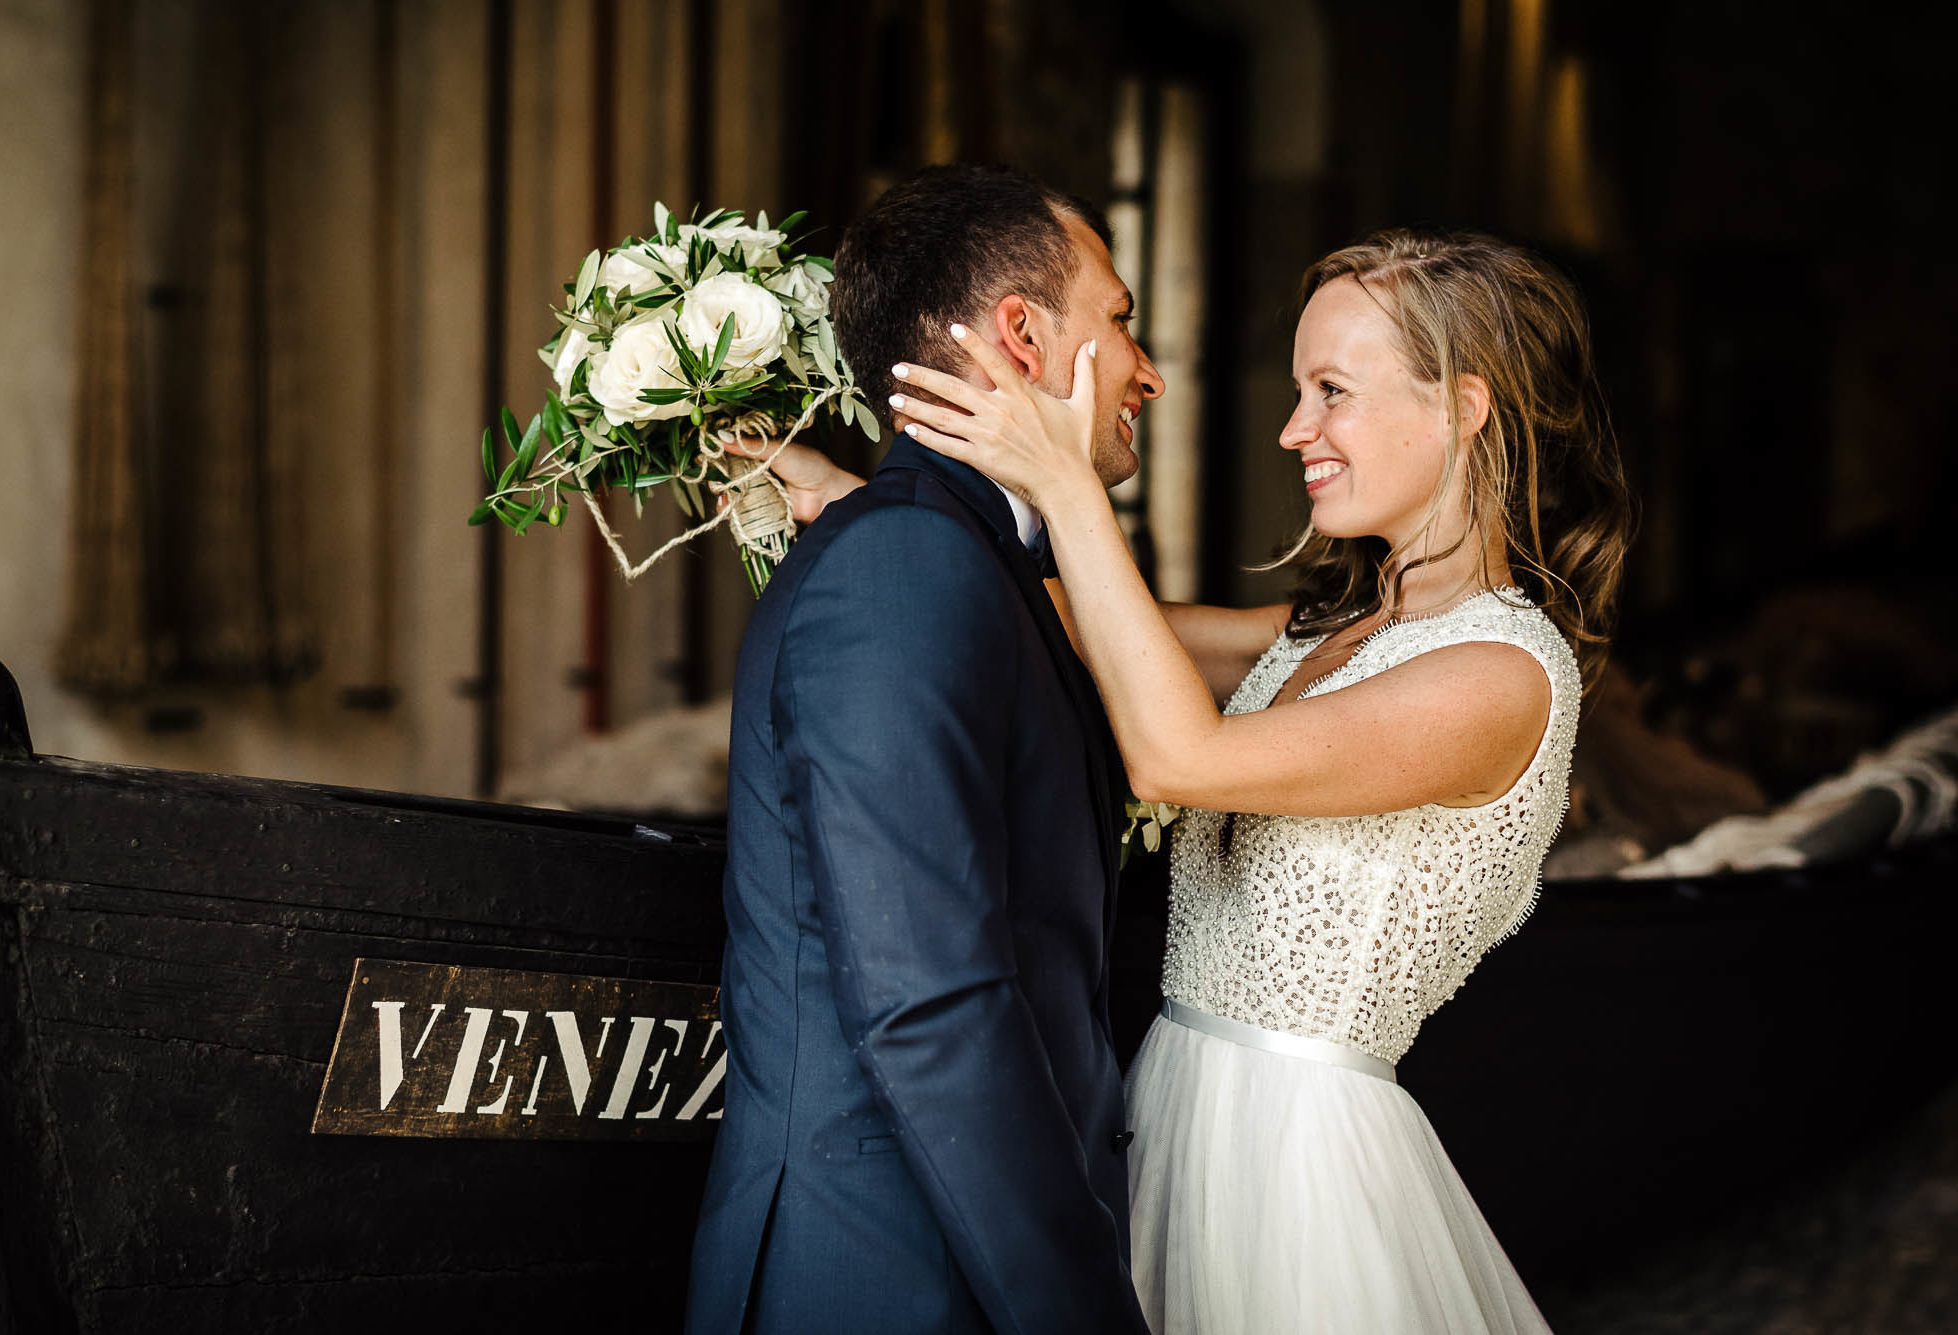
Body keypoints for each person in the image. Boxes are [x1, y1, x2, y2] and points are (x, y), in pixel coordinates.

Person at [766, 227, 1633, 1332]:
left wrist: (1066, 487)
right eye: (1295, 392)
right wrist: (851, 502)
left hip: (1297, 1165)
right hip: (1168, 1110)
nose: (1291, 431)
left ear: (1463, 408)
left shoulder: (1499, 675)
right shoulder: (1322, 629)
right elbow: (1064, 621)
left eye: (1330, 392)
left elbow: (1181, 757)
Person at [683, 164, 1164, 1334]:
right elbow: (927, 1002)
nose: (1144, 372)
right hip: (886, 1265)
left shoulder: (958, 560)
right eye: (1118, 322)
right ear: (1020, 333)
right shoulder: (905, 566)